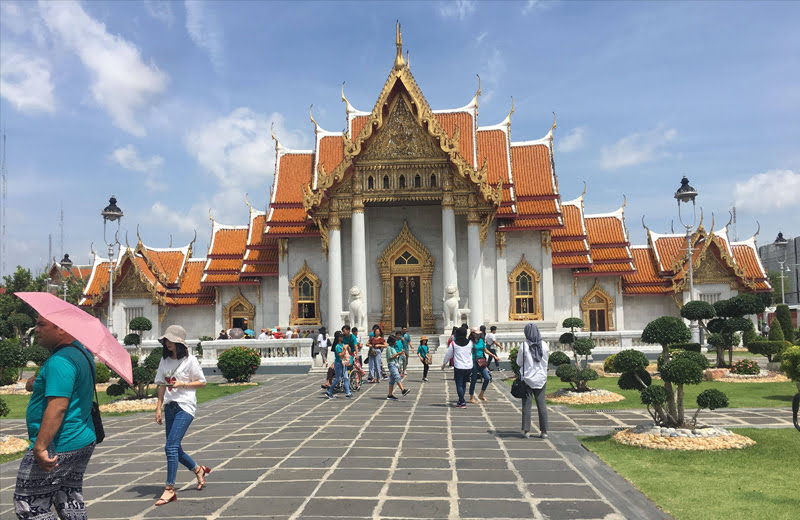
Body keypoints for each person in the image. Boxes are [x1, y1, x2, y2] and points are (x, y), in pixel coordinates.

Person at [14, 316, 98, 519]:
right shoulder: (79, 352)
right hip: (81, 438)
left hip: (59, 443)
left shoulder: (60, 361)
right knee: (68, 499)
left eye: (42, 325)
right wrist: (38, 382)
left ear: (61, 329)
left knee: (29, 504)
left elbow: (58, 406)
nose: (37, 330)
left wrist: (40, 447)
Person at [154, 325, 210, 506]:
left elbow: (202, 382)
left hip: (185, 407)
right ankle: (198, 469)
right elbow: (162, 384)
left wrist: (182, 385)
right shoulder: (164, 361)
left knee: (170, 447)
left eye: (171, 340)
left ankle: (170, 489)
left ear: (180, 343)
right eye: (166, 340)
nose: (168, 343)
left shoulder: (190, 360)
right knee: (175, 449)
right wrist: (158, 407)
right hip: (170, 407)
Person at [517, 323, 549, 439]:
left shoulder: (524, 346)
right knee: (542, 404)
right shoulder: (544, 345)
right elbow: (546, 361)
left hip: (527, 378)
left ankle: (526, 431)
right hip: (541, 377)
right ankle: (544, 431)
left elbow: (519, 362)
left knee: (526, 405)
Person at [441, 325, 473, 408]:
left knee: (459, 384)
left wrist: (444, 363)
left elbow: (448, 354)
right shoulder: (470, 343)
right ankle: (460, 400)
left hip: (459, 366)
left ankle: (462, 402)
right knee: (463, 384)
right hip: (468, 366)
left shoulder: (454, 344)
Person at [469, 327, 499, 403]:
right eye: (476, 334)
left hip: (481, 360)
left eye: (479, 334)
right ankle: (471, 397)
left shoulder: (481, 341)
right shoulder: (470, 342)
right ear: (473, 334)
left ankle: (481, 394)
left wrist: (494, 355)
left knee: (487, 377)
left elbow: (485, 350)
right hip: (473, 361)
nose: (478, 335)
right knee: (474, 379)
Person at [325, 331, 353, 399]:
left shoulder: (343, 344)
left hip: (344, 363)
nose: (342, 337)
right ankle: (329, 392)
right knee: (337, 379)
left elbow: (350, 351)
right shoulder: (337, 346)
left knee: (346, 378)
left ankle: (348, 393)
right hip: (338, 363)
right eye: (341, 336)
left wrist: (348, 346)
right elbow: (340, 355)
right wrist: (344, 349)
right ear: (338, 338)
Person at [385, 335, 410, 400]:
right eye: (395, 340)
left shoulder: (392, 348)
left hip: (395, 364)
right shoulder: (389, 348)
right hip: (391, 364)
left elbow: (395, 356)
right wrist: (398, 354)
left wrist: (400, 354)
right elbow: (390, 357)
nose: (396, 341)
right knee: (397, 377)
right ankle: (403, 390)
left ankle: (390, 395)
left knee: (392, 380)